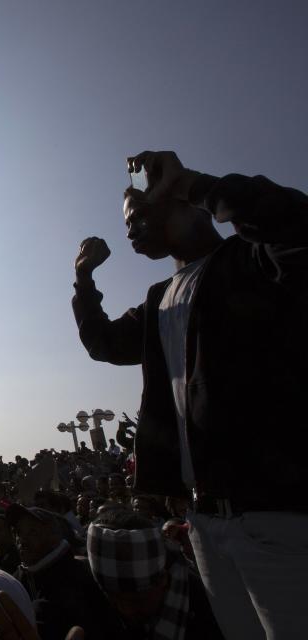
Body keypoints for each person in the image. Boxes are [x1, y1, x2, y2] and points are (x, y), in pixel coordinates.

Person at [72, 150, 308, 638]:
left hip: (275, 517)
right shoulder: (159, 299)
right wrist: (84, 279)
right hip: (203, 525)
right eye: (127, 221)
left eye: (139, 215)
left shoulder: (251, 261)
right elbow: (103, 344)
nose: (130, 230)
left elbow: (298, 225)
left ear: (184, 205)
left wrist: (196, 183)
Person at [88, 509, 224, 639]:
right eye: (113, 597)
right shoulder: (90, 603)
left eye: (136, 600)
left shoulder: (210, 607)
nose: (126, 610)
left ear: (163, 579)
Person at [6, 504, 121, 640]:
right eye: (19, 532)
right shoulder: (18, 578)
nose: (22, 540)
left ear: (54, 537)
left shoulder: (79, 578)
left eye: (33, 532)